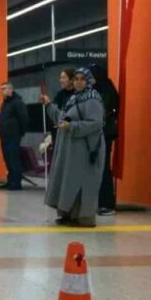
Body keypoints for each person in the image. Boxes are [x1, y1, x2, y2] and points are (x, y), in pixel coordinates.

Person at [40, 67, 105, 227]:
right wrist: (49, 105)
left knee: (82, 182)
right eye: (76, 79)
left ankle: (83, 218)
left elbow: (95, 123)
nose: (78, 82)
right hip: (72, 150)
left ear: (89, 81)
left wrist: (72, 126)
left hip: (85, 150)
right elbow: (63, 118)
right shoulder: (75, 98)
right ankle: (68, 215)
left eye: (82, 79)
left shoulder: (92, 98)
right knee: (69, 181)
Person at [89, 64, 120, 216]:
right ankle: (98, 202)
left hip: (104, 134)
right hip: (96, 133)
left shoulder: (106, 90)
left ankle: (106, 203)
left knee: (103, 168)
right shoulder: (99, 89)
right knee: (96, 168)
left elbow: (103, 109)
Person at [0, 82, 29, 190]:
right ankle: (10, 180)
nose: (2, 91)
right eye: (1, 89)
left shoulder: (17, 102)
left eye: (4, 88)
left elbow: (24, 118)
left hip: (13, 135)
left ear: (11, 89)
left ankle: (16, 182)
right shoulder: (5, 103)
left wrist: (20, 132)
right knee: (7, 159)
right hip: (4, 135)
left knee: (13, 158)